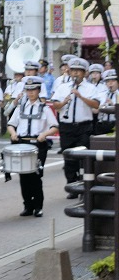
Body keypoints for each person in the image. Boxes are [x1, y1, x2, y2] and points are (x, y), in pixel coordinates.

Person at [7, 75, 58, 218]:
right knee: (23, 176)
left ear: (39, 90)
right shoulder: (20, 107)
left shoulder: (44, 108)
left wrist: (44, 134)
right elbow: (11, 124)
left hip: (38, 144)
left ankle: (38, 206)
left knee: (35, 176)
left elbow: (54, 126)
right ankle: (27, 205)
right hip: (22, 143)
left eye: (33, 90)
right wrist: (12, 133)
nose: (30, 93)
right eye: (28, 90)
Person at [51, 57, 102, 197]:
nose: (75, 74)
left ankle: (84, 186)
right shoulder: (62, 87)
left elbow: (96, 105)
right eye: (73, 70)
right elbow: (55, 105)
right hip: (67, 127)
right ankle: (72, 186)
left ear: (85, 72)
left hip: (84, 126)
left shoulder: (90, 88)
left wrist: (80, 97)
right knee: (69, 158)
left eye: (78, 71)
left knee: (83, 158)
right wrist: (63, 102)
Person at [97, 69, 118, 135]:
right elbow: (95, 109)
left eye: (113, 81)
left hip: (115, 123)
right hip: (102, 123)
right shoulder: (101, 94)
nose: (110, 83)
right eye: (108, 81)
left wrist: (113, 104)